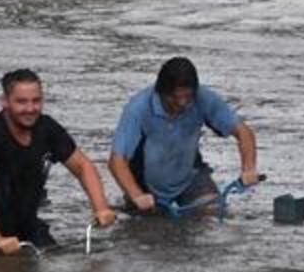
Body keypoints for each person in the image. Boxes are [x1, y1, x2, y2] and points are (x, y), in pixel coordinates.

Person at [0, 69, 116, 254]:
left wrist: (101, 207)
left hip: (24, 225)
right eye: (21, 102)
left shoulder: (47, 128)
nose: (30, 109)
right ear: (5, 102)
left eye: (36, 101)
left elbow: (83, 166)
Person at [108, 57, 259, 213]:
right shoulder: (138, 108)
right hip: (146, 186)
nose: (182, 103)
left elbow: (243, 132)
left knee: (214, 213)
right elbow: (117, 161)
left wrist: (248, 168)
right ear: (161, 92)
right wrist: (136, 195)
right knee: (149, 231)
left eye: (188, 97)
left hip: (190, 177)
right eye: (175, 97)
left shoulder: (203, 98)